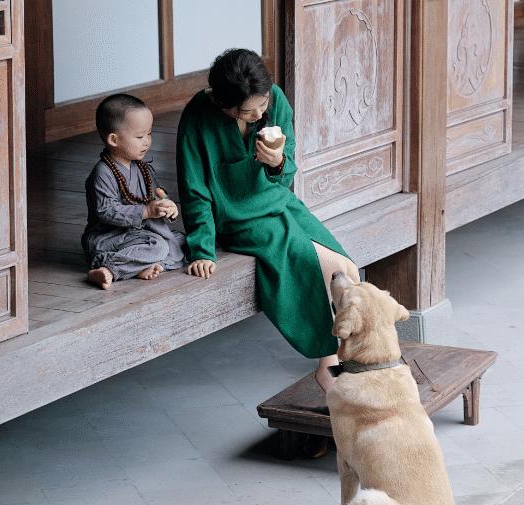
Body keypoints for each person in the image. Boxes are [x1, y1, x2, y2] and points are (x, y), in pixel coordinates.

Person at [176, 48, 360, 409]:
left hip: (278, 202)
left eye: (263, 104)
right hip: (237, 219)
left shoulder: (273, 100)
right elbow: (194, 188)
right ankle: (330, 365)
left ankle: (341, 361)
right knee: (312, 264)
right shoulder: (198, 116)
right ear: (223, 103)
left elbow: (287, 170)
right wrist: (202, 248)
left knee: (346, 268)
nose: (261, 113)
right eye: (250, 111)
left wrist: (277, 163)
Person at [82, 94, 186, 290]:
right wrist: (145, 212)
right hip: (109, 237)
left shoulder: (142, 168)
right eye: (139, 136)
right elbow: (105, 211)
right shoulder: (103, 172)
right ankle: (109, 269)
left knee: (181, 241)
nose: (146, 141)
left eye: (149, 133)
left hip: (139, 234)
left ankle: (141, 266)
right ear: (114, 139)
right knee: (159, 246)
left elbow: (156, 195)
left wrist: (166, 205)